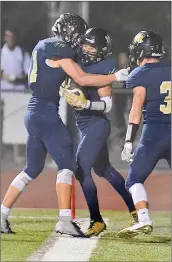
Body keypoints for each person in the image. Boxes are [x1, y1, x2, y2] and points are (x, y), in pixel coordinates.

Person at [1, 13, 129, 236]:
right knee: (68, 165)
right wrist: (116, 76)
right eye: (79, 36)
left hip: (33, 112)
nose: (80, 41)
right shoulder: (61, 50)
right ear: (70, 33)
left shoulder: (42, 45)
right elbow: (84, 79)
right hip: (47, 113)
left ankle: (2, 215)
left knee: (31, 169)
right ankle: (64, 220)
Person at [60, 28, 138, 237]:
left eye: (91, 46)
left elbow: (107, 105)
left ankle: (96, 219)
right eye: (85, 44)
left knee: (81, 169)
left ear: (101, 50)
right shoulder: (77, 59)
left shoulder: (105, 67)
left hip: (97, 125)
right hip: (85, 126)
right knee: (104, 170)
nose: (86, 49)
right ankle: (135, 209)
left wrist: (85, 103)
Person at [117, 30, 171, 238]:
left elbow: (136, 109)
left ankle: (144, 218)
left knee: (133, 179)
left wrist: (129, 140)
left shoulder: (140, 73)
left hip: (154, 133)